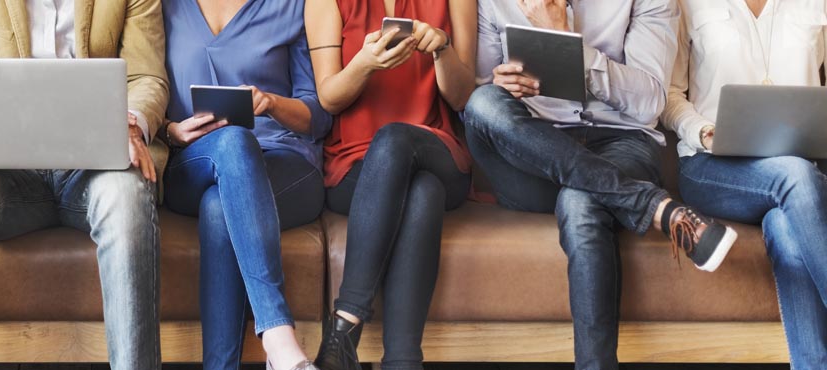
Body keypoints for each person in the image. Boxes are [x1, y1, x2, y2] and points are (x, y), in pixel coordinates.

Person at [464, 1, 739, 369]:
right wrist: (501, 82)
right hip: (534, 154)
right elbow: (483, 85)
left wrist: (567, 44)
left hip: (620, 142)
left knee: (582, 201)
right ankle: (651, 204)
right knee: (482, 102)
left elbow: (649, 102)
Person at [0, 0, 168, 368]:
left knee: (127, 198)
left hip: (95, 166)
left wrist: (130, 123)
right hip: (13, 171)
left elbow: (147, 77)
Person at [304, 0, 476, 369]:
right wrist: (364, 65)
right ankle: (403, 360)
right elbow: (329, 97)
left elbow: (462, 97)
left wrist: (442, 49)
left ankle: (343, 329)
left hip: (437, 149)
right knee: (423, 192)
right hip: (355, 165)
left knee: (396, 139)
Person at [160, 1, 330, 369]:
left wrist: (271, 104)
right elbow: (143, 90)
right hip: (193, 162)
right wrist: (170, 130)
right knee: (234, 141)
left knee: (220, 207)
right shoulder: (163, 7)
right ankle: (279, 339)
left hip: (283, 163)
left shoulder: (290, 7)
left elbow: (317, 116)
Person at [662, 0, 827, 367]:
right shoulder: (688, 4)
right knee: (795, 176)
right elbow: (669, 97)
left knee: (787, 227)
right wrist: (703, 132)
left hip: (798, 173)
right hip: (712, 167)